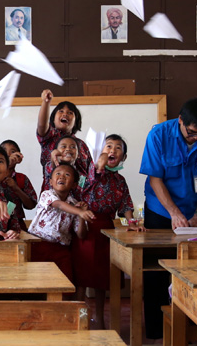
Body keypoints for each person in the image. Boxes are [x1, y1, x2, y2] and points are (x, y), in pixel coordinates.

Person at [139, 96, 197, 339]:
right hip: (160, 211)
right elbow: (155, 178)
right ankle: (155, 332)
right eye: (193, 133)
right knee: (156, 272)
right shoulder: (158, 135)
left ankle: (189, 329)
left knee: (193, 271)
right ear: (180, 121)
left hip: (193, 213)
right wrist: (174, 213)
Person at [72, 134, 141, 330]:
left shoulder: (120, 180)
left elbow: (126, 205)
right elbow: (81, 192)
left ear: (123, 157)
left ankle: (99, 318)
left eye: (118, 148)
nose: (112, 150)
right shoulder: (88, 173)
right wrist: (98, 167)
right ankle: (79, 318)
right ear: (100, 152)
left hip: (107, 231)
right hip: (85, 227)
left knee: (102, 280)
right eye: (108, 146)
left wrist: (132, 223)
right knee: (82, 278)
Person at [28, 163, 94, 281]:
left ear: (74, 184)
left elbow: (81, 234)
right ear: (51, 182)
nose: (62, 177)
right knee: (37, 280)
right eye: (58, 174)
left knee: (65, 280)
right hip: (38, 245)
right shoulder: (46, 195)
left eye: (67, 175)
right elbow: (58, 204)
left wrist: (82, 215)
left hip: (60, 249)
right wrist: (78, 212)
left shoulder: (74, 204)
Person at [37, 89, 92, 192]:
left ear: (76, 121)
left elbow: (89, 172)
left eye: (70, 113)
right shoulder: (49, 138)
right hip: (52, 197)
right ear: (53, 119)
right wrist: (46, 102)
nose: (65, 114)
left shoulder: (82, 145)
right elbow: (41, 125)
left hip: (78, 197)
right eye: (61, 111)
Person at [0, 140, 37, 231]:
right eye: (4, 151)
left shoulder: (22, 178)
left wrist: (16, 188)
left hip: (17, 225)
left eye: (13, 152)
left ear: (19, 158)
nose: (9, 155)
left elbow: (31, 205)